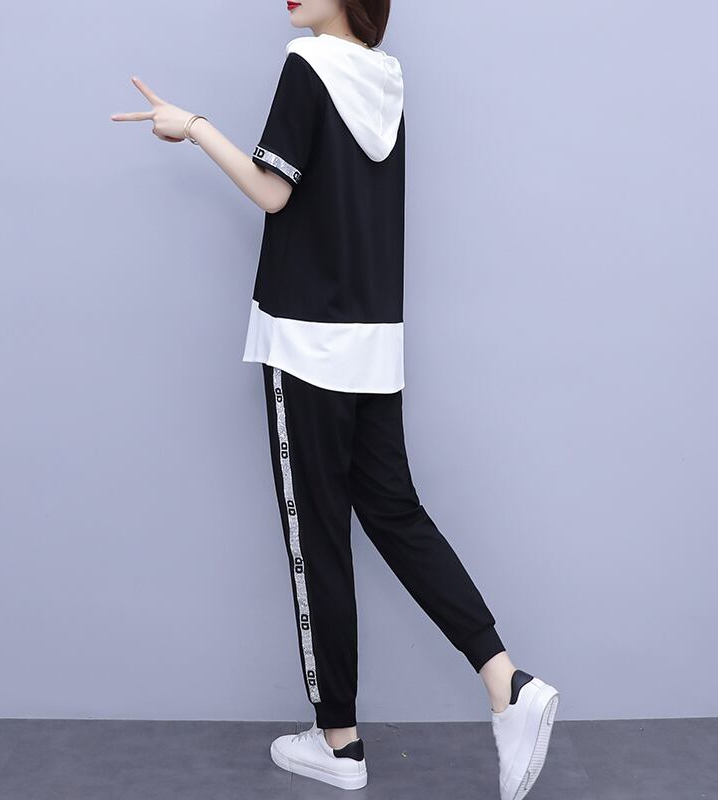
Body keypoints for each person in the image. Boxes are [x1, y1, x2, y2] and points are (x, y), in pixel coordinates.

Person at [110, 1, 559, 796]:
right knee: (394, 512)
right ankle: (507, 680)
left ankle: (339, 743)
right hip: (373, 341)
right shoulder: (385, 77)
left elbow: (272, 192)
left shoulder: (307, 65)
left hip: (303, 341)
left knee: (315, 534)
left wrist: (194, 126)